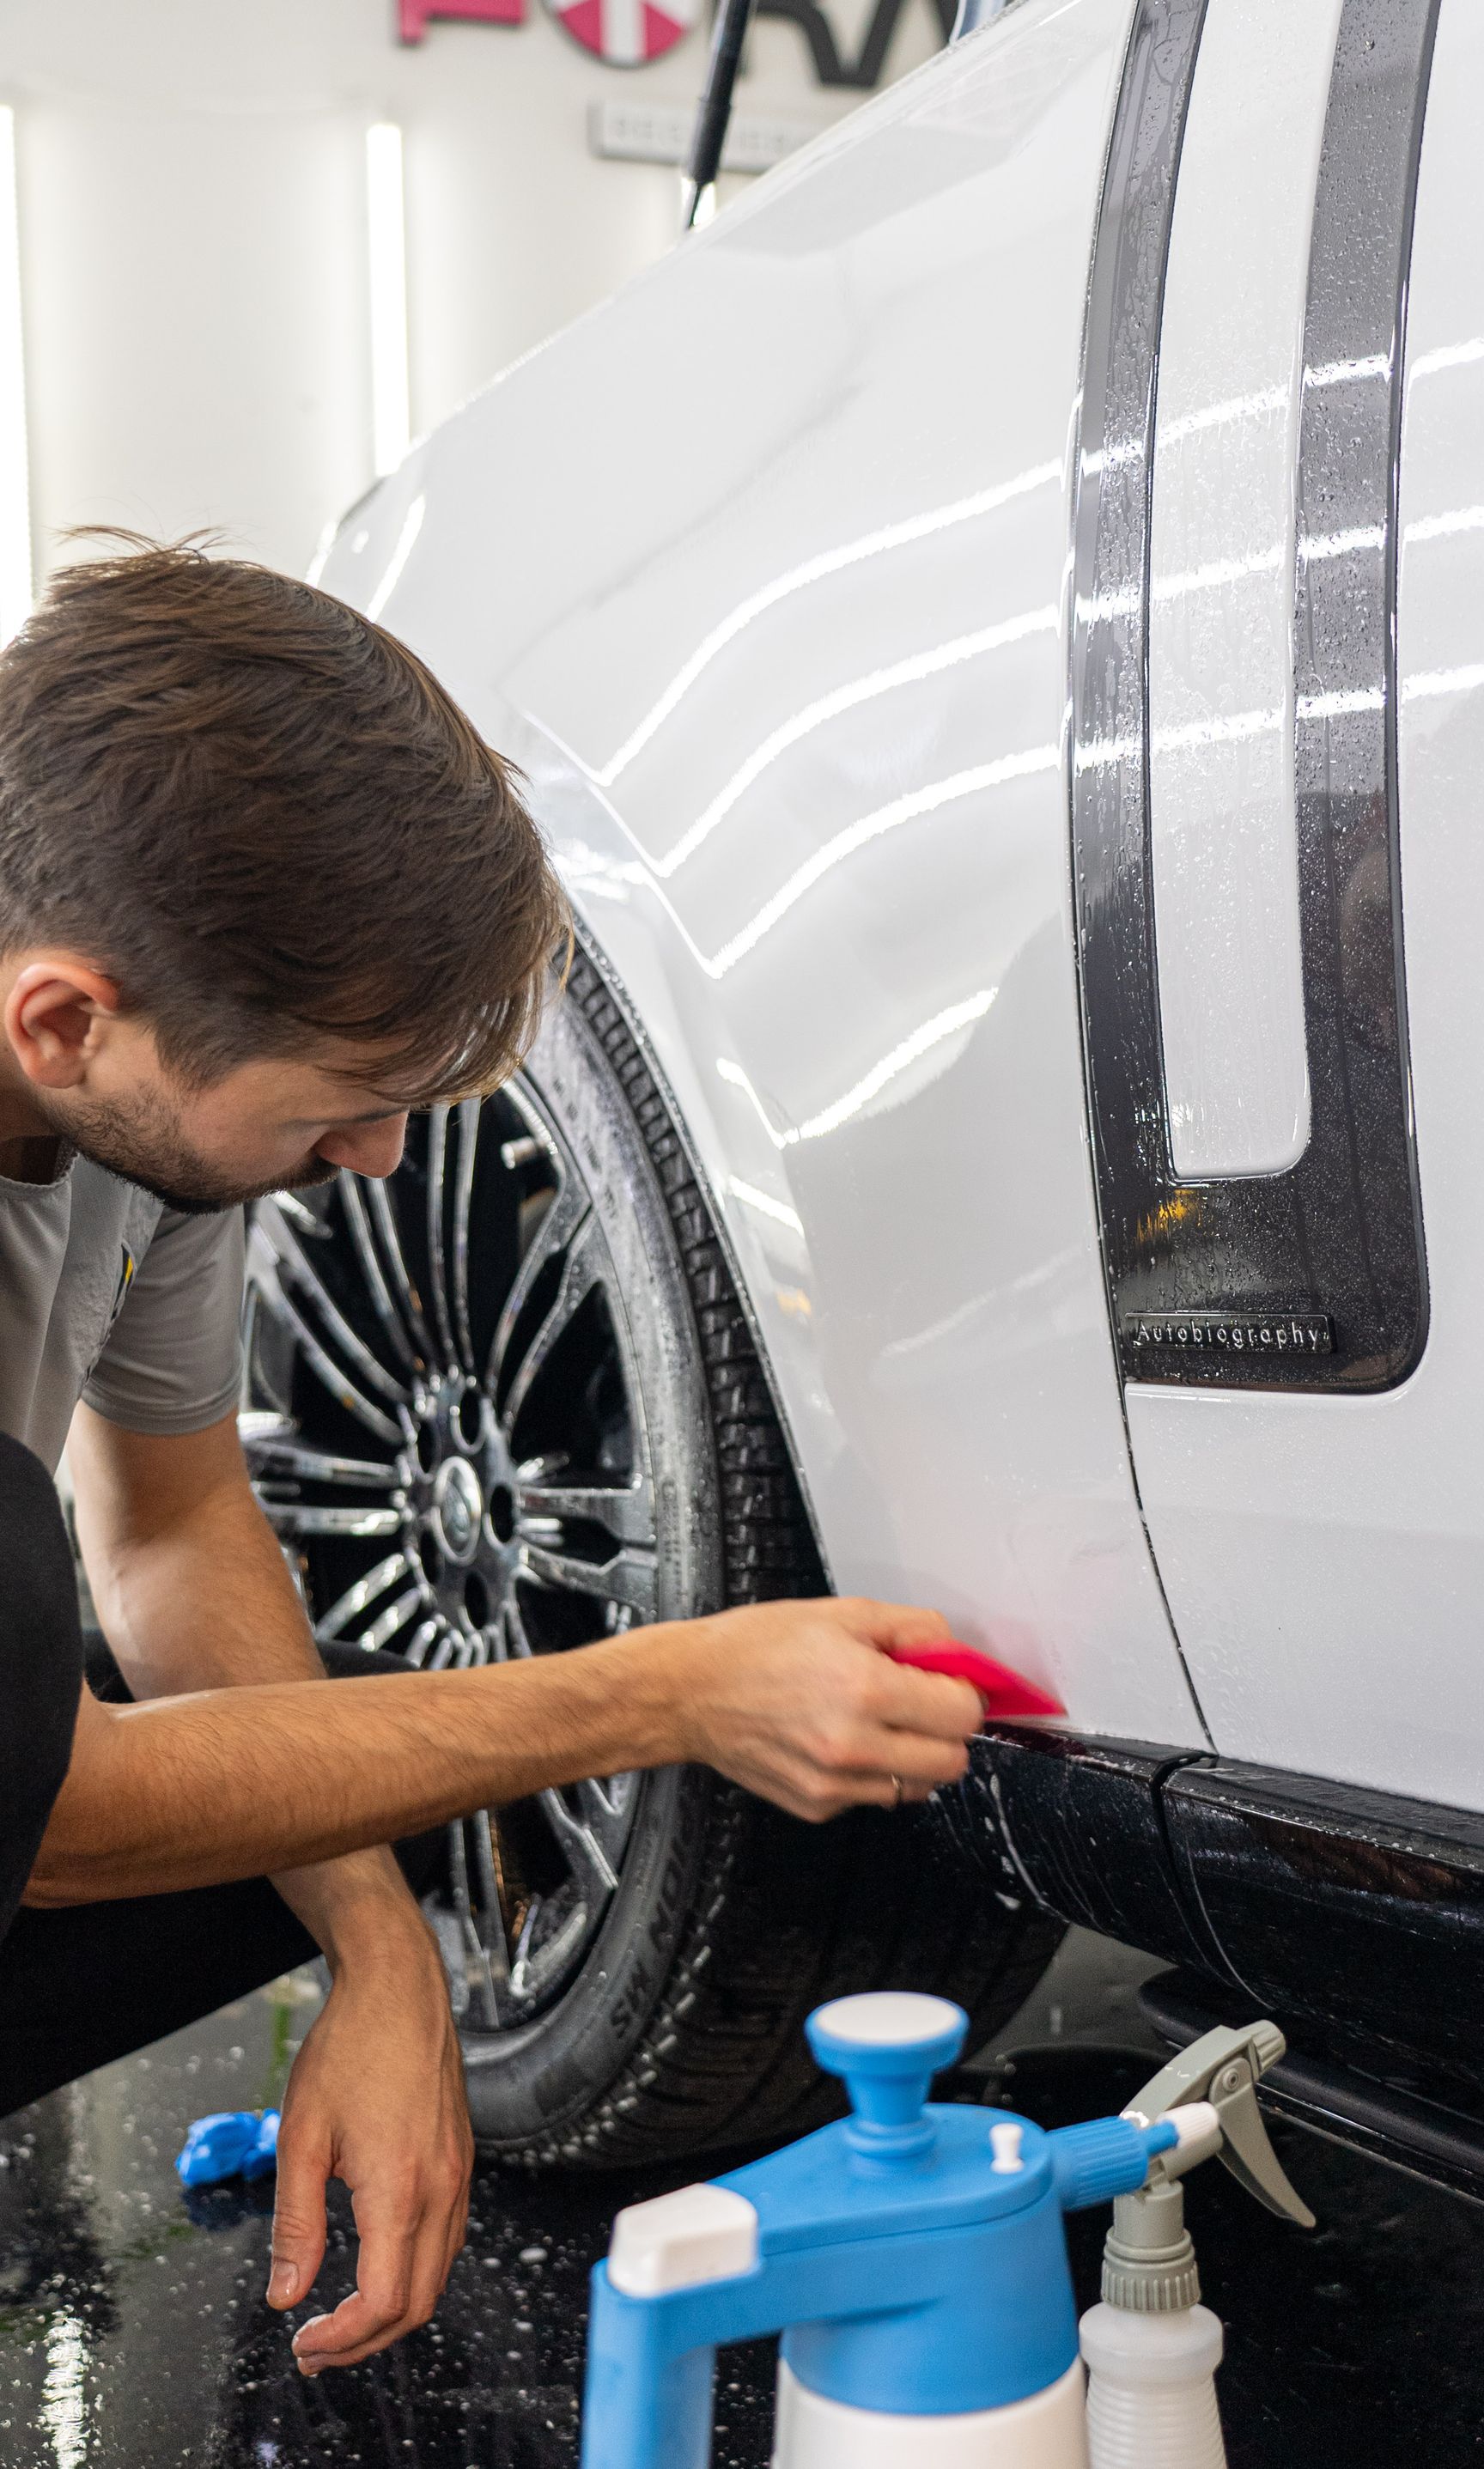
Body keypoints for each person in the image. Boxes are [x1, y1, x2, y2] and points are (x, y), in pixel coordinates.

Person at [0, 538, 985, 2378]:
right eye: (339, 1107)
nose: (379, 1161)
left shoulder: (140, 1084)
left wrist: (379, 1947)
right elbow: (56, 1817)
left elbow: (173, 1521)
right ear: (65, 1015)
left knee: (341, 1746)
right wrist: (665, 1689)